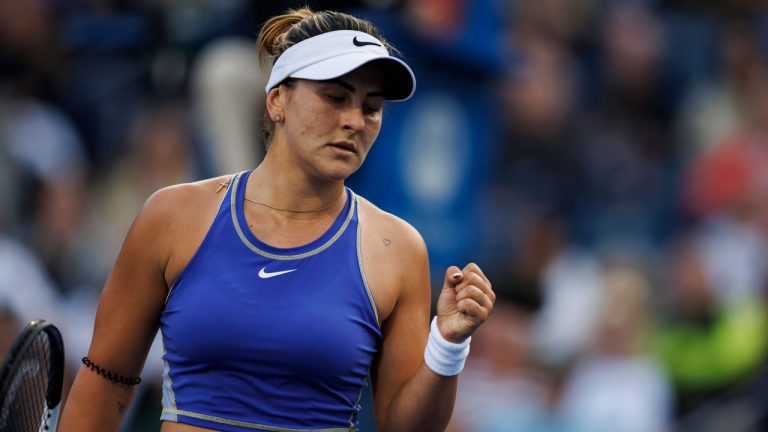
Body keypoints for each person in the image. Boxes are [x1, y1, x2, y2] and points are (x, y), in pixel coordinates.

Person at [58, 7, 495, 432]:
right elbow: (105, 378)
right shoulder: (172, 216)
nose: (354, 121)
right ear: (277, 100)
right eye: (335, 97)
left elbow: (405, 427)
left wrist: (447, 346)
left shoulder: (397, 249)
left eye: (371, 107)